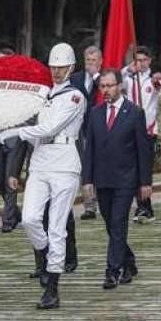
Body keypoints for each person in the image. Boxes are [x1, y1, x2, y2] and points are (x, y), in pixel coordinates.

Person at [0, 42, 85, 309]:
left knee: (57, 226)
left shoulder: (75, 97)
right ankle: (49, 256)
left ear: (71, 67)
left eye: (61, 68)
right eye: (53, 67)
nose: (57, 72)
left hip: (64, 162)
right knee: (30, 219)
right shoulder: (44, 95)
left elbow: (49, 127)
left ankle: (52, 288)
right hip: (41, 161)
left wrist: (15, 133)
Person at [82, 68, 152, 289]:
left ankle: (112, 271)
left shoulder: (134, 112)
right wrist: (87, 179)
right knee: (111, 225)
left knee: (119, 223)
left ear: (120, 86)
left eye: (110, 86)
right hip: (103, 178)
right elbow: (89, 148)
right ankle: (129, 261)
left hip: (126, 179)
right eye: (102, 86)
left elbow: (143, 151)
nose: (106, 90)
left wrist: (145, 182)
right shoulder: (95, 113)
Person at [122, 45, 161, 223]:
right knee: (131, 169)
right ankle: (140, 205)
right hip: (129, 132)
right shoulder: (129, 79)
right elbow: (117, 79)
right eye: (137, 60)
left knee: (144, 170)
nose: (140, 63)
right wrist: (127, 70)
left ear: (150, 61)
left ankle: (145, 205)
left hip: (147, 132)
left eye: (144, 60)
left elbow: (159, 85)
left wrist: (156, 79)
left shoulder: (152, 80)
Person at [0, 43, 23, 232]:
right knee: (1, 182)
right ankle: (16, 213)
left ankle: (8, 221)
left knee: (11, 181)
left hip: (14, 139)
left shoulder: (20, 83)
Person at [70, 46, 102, 220]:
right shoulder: (75, 78)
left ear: (100, 62)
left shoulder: (105, 79)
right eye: (88, 61)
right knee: (84, 167)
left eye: (94, 61)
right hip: (80, 130)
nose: (90, 64)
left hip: (99, 129)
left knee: (98, 166)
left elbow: (106, 93)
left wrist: (96, 76)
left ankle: (101, 201)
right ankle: (89, 206)